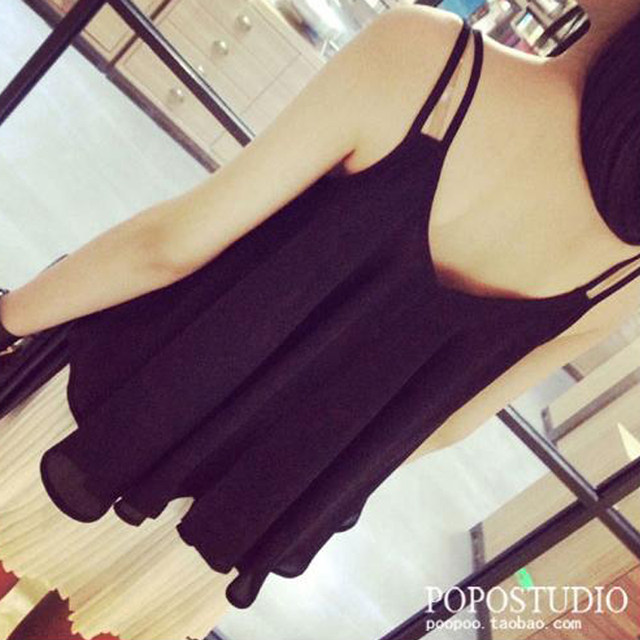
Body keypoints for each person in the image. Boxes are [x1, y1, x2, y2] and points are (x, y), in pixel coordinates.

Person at [1, 2, 639, 638]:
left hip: (114, 412)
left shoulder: (436, 63)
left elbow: (168, 246)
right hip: (242, 513)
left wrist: (10, 318)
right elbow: (445, 426)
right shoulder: (625, 276)